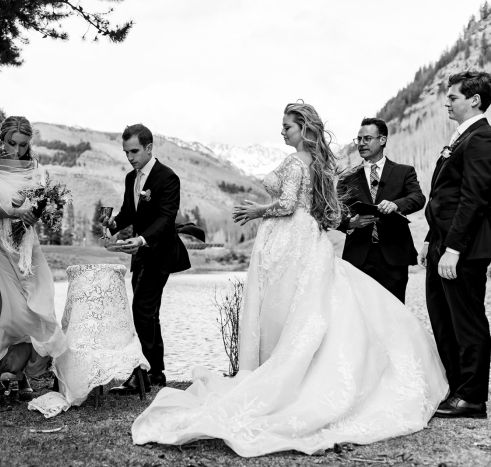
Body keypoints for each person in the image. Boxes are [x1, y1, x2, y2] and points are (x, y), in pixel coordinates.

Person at [131, 103, 447, 457]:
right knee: (300, 304)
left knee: (293, 305)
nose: (282, 131)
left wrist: (257, 211)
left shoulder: (298, 162)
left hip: (290, 236)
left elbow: (287, 205)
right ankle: (293, 367)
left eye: (287, 127)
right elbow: (311, 207)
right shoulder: (311, 162)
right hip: (295, 238)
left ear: (303, 129)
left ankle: (289, 373)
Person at [0, 116, 67, 399]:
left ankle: (20, 372)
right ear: (0, 139)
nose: (16, 150)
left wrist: (40, 212)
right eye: (11, 143)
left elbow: (40, 207)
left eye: (23, 145)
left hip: (26, 245)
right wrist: (14, 212)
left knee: (33, 305)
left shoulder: (36, 170)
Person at [420, 70, 491, 419]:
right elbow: (443, 197)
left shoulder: (481, 138)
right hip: (441, 244)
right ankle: (455, 389)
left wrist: (453, 248)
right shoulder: (460, 138)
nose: (447, 101)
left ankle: (473, 398)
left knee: (467, 320)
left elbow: (473, 198)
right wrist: (431, 239)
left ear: (474, 100)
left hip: (462, 250)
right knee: (442, 317)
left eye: (453, 97)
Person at [100, 124, 190, 394]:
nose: (130, 157)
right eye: (126, 152)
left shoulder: (167, 178)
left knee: (141, 310)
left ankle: (148, 373)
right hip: (138, 256)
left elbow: (165, 220)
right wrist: (112, 224)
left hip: (160, 253)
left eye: (134, 151)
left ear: (149, 148)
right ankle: (154, 374)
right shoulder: (131, 178)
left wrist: (141, 240)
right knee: (149, 315)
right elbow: (130, 211)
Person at [337, 117, 425, 302]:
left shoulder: (404, 171)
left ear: (382, 140)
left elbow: (418, 198)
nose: (361, 144)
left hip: (394, 256)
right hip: (358, 256)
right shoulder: (348, 178)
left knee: (395, 313)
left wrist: (396, 205)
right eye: (358, 139)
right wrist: (350, 222)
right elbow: (334, 212)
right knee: (361, 315)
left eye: (367, 139)